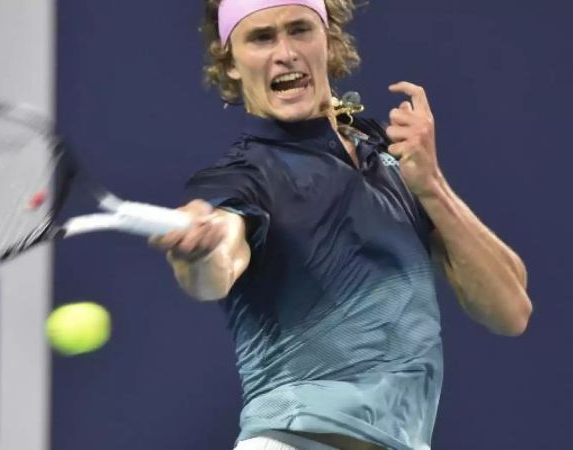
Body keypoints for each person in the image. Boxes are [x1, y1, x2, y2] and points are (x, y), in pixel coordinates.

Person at [149, 1, 533, 449]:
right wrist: (197, 251)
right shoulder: (242, 178)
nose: (285, 52)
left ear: (328, 41)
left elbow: (511, 311)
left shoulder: (385, 151)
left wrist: (432, 187)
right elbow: (216, 270)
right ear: (229, 61)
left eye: (299, 30)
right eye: (262, 38)